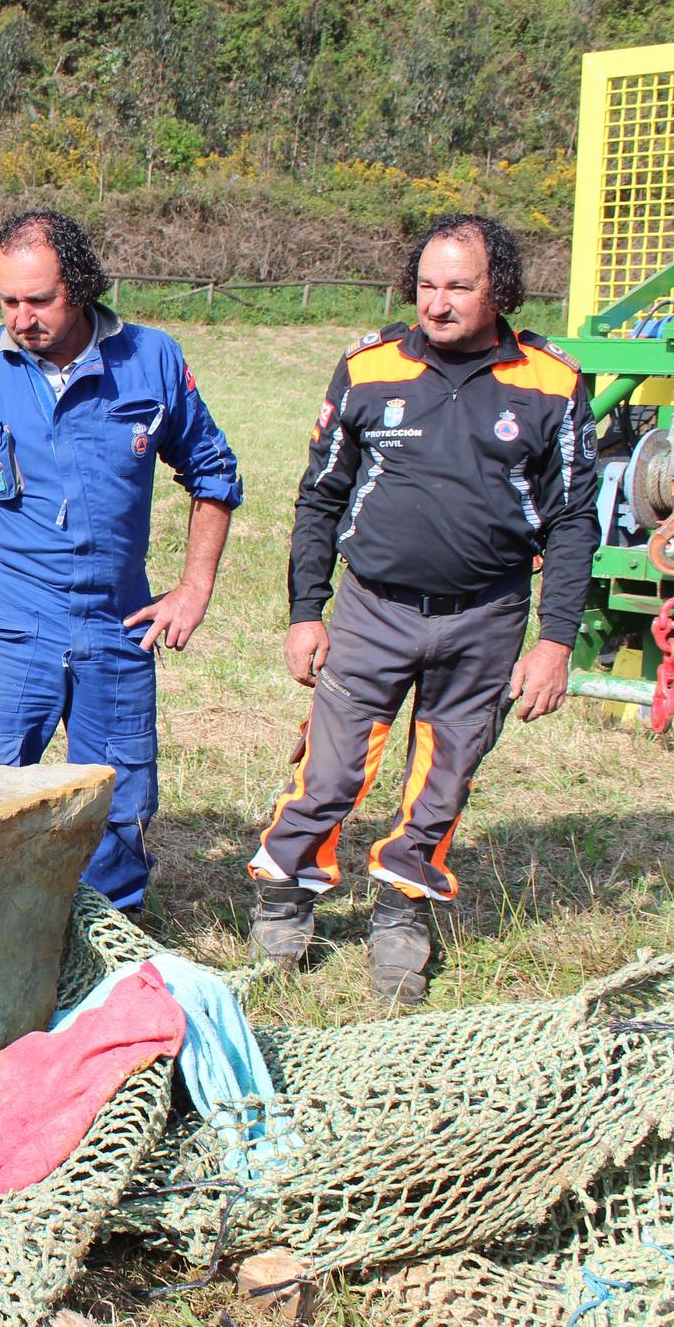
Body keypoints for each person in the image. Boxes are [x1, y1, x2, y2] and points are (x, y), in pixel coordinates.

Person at [247, 213, 597, 1004]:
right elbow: (320, 496)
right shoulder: (368, 369)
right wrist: (309, 609)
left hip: (489, 616)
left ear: (498, 290)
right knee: (332, 769)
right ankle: (287, 889)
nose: (437, 303)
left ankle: (402, 909)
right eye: (427, 285)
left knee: (443, 776)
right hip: (373, 610)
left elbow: (576, 519)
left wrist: (556, 641)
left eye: (459, 287)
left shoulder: (553, 382)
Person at [0, 210, 243, 913]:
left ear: (79, 286)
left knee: (119, 800)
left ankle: (110, 945)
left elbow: (214, 472)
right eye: (8, 300)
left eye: (39, 300)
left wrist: (194, 588)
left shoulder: (153, 362)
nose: (22, 317)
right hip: (10, 617)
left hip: (117, 622)